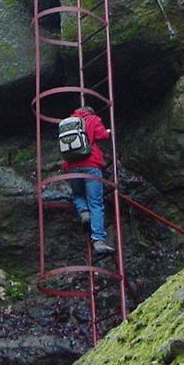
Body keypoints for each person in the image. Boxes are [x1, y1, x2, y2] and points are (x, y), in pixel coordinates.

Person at [63, 104, 115, 257]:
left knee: (78, 194)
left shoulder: (68, 122)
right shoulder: (92, 119)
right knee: (96, 204)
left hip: (71, 166)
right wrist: (108, 132)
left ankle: (83, 213)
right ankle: (98, 241)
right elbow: (101, 135)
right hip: (91, 165)